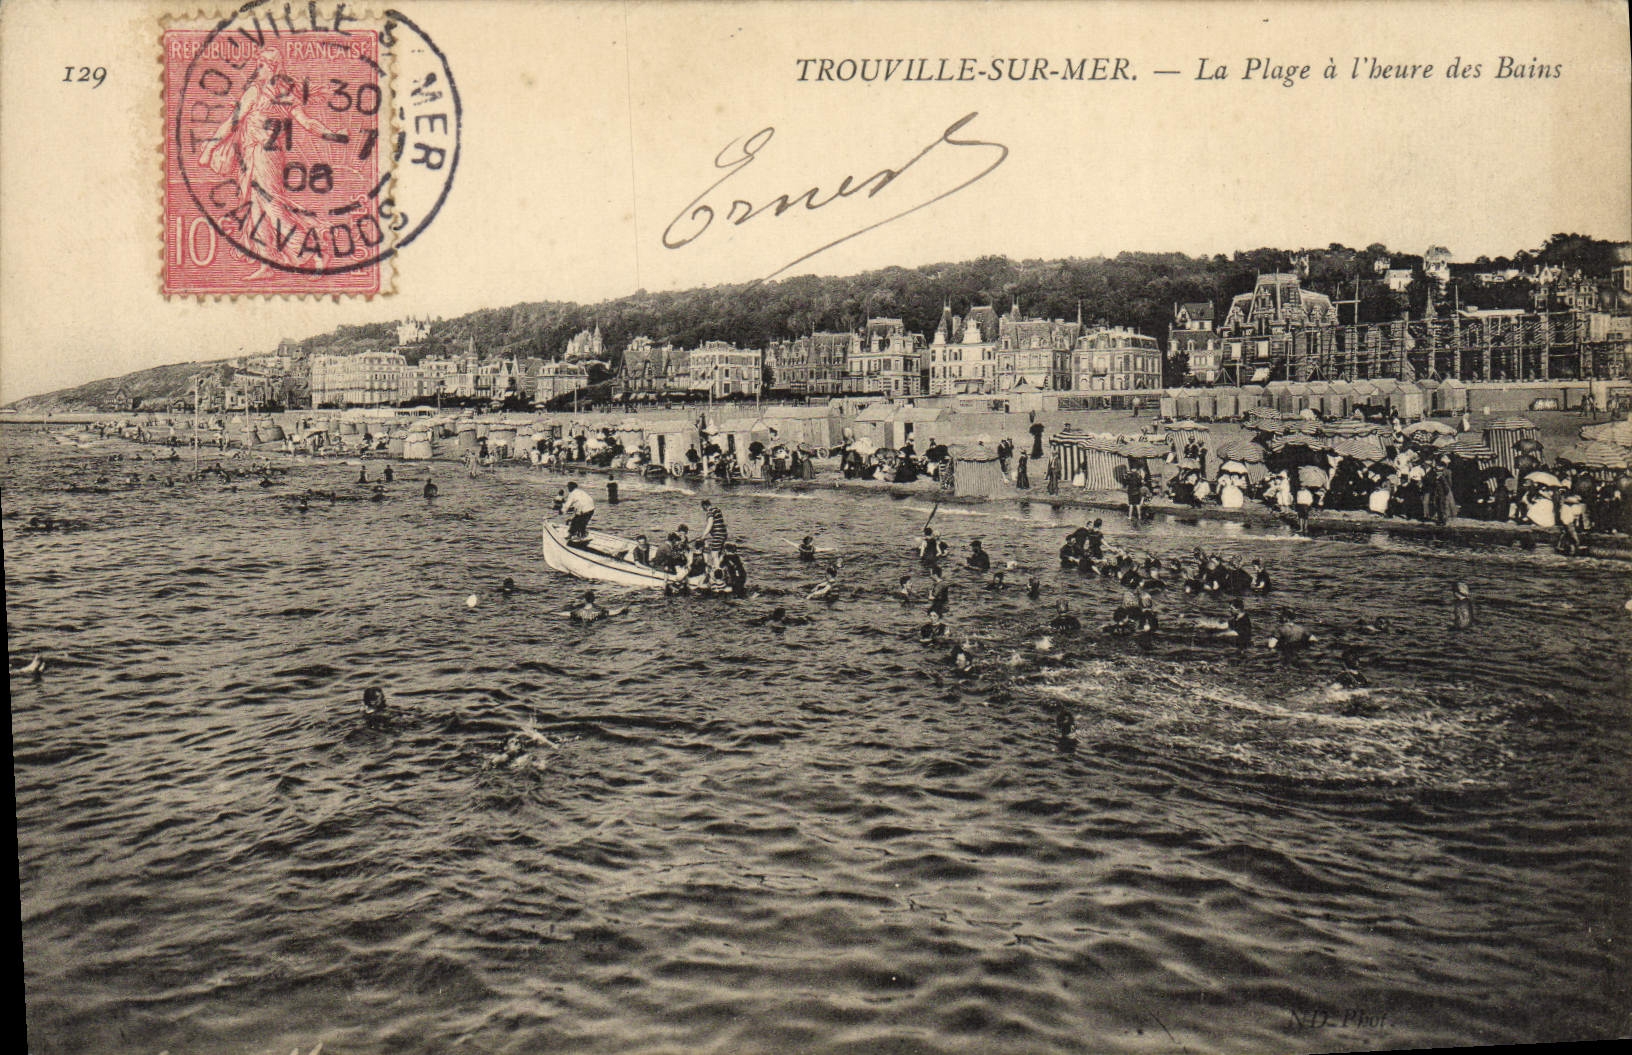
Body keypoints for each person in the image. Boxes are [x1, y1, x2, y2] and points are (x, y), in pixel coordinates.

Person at [700, 499, 728, 577]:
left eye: (703, 507)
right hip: (724, 534)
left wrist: (703, 535)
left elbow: (710, 524)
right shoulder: (717, 509)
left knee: (714, 554)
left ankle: (717, 572)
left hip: (718, 535)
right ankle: (720, 570)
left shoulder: (710, 512)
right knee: (719, 553)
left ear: (705, 506)